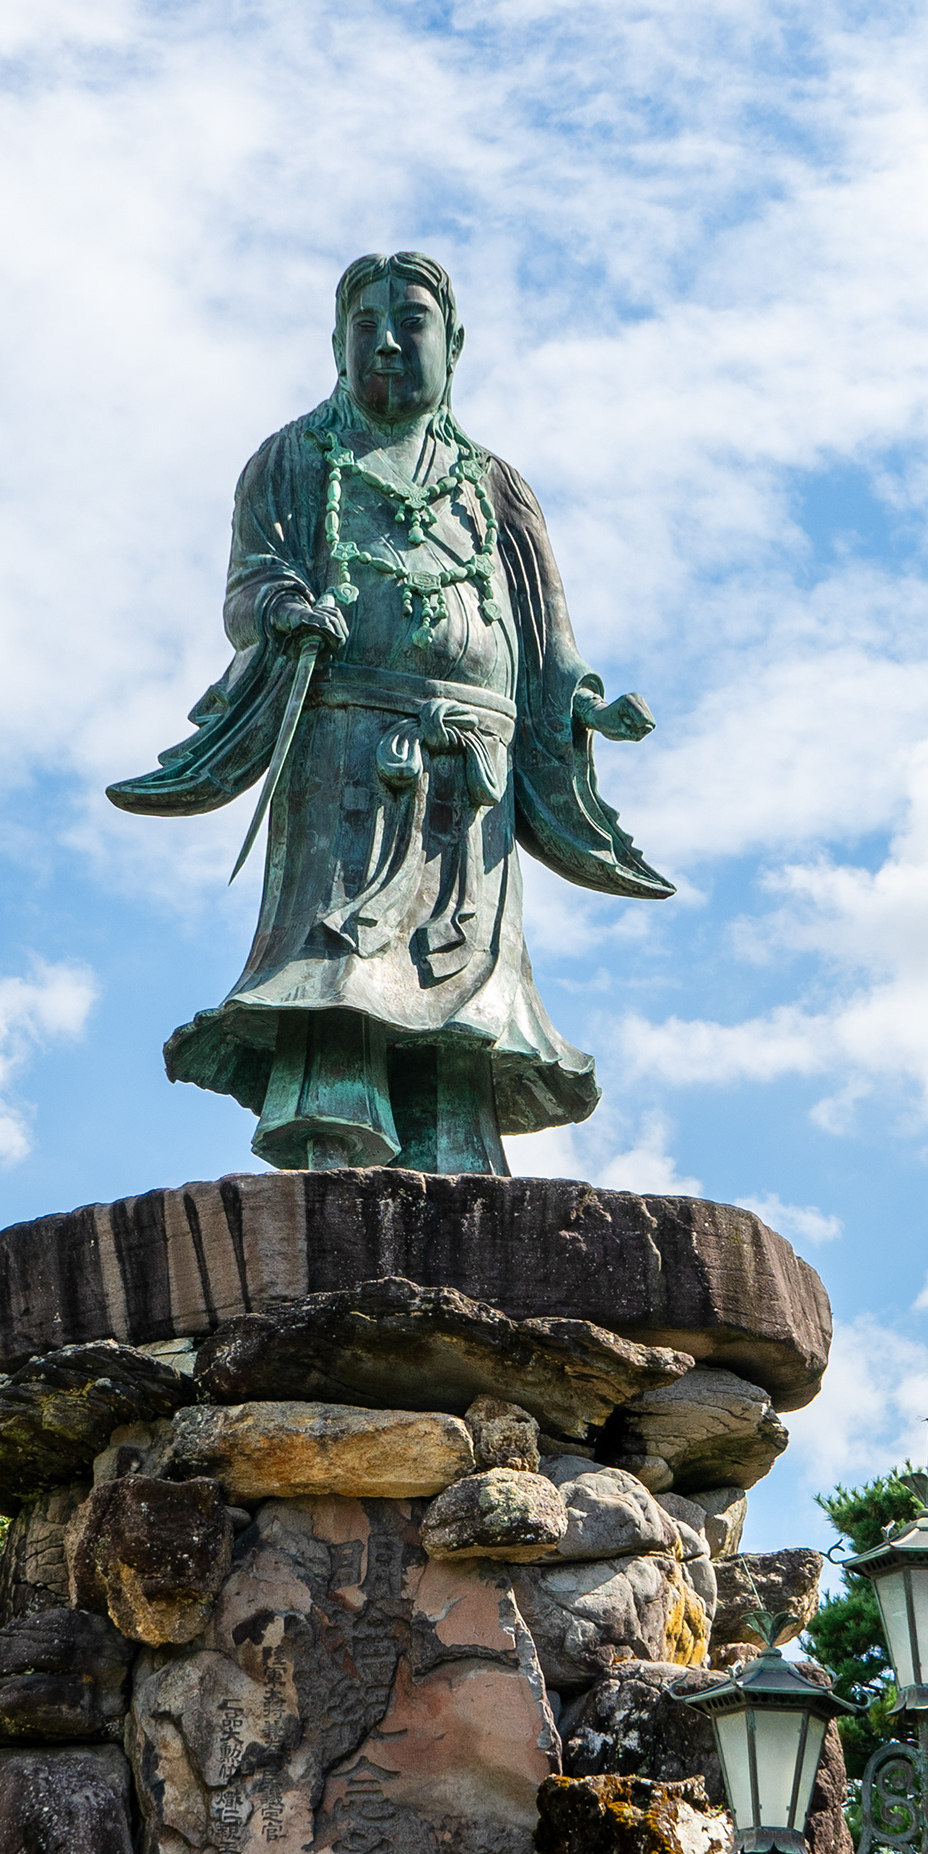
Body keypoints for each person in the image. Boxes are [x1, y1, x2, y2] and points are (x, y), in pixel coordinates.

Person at [110, 251, 671, 1173]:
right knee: (339, 948)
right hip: (347, 739)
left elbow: (546, 638)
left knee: (463, 958)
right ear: (336, 345)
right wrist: (286, 608)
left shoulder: (494, 486)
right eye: (364, 325)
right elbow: (250, 583)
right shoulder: (295, 459)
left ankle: (455, 1137)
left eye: (411, 322)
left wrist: (587, 708)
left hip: (475, 764)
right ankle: (334, 1125)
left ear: (454, 344)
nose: (386, 343)